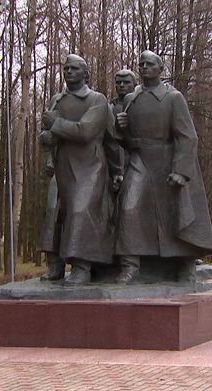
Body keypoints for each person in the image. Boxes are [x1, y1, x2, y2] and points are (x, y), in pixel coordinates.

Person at [114, 50, 212, 284]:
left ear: (161, 70)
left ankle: (186, 264)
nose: (143, 68)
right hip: (139, 160)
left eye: (149, 64)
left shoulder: (173, 97)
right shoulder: (132, 98)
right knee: (129, 207)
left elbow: (187, 136)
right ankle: (130, 265)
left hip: (167, 160)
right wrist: (121, 129)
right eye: (140, 65)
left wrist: (181, 170)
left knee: (176, 213)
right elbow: (126, 143)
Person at [36, 54, 121, 285]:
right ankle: (55, 265)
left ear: (85, 74)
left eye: (74, 69)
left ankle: (82, 266)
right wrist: (45, 138)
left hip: (90, 164)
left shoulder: (97, 100)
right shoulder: (57, 99)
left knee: (81, 210)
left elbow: (86, 131)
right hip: (62, 163)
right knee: (55, 211)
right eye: (65, 68)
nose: (68, 72)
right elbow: (46, 132)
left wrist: (117, 171)